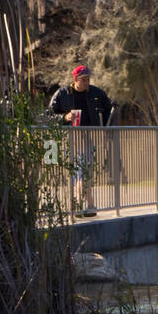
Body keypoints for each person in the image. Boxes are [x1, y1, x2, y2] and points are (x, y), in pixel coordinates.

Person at [48, 66, 114, 216]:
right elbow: (49, 114)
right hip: (70, 137)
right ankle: (87, 205)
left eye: (88, 79)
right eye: (83, 80)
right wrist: (65, 117)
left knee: (84, 172)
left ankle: (81, 205)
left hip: (89, 137)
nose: (86, 83)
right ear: (75, 80)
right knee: (79, 172)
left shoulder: (96, 92)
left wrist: (109, 130)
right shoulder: (62, 93)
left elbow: (109, 110)